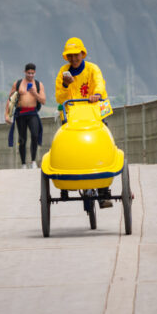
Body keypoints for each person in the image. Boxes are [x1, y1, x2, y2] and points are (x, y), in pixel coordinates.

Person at [55, 37, 112, 207]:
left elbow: (99, 85)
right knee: (65, 142)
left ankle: (103, 191)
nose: (73, 58)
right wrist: (65, 86)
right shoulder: (63, 72)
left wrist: (97, 95)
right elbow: (59, 97)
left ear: (83, 53)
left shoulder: (93, 69)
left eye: (76, 55)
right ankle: (66, 175)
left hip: (94, 111)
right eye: (70, 56)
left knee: (103, 142)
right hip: (72, 114)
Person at [5, 63, 46, 169]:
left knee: (35, 135)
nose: (31, 75)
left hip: (32, 113)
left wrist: (34, 93)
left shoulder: (38, 84)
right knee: (22, 139)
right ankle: (23, 163)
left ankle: (33, 161)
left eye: (32, 73)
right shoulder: (18, 84)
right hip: (21, 113)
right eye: (29, 73)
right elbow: (10, 100)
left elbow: (43, 101)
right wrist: (7, 115)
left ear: (35, 73)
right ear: (25, 72)